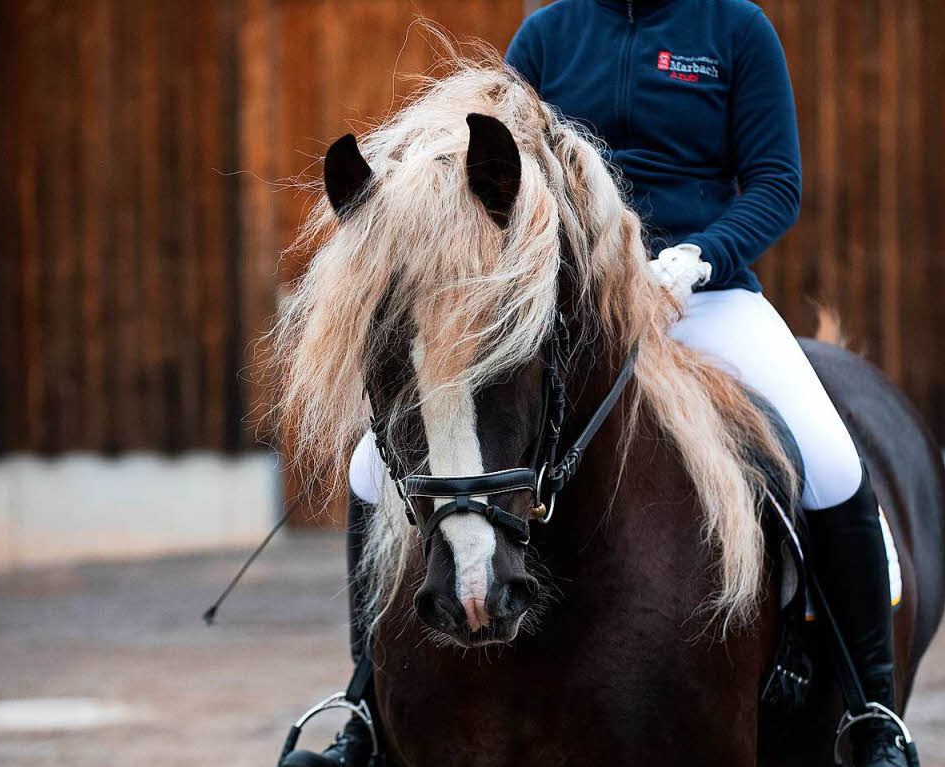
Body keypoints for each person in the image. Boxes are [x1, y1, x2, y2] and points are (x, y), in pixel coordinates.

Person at [280, 2, 912, 766]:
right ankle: (365, 714)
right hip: (570, 304)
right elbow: (490, 164)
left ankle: (872, 712)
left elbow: (776, 184)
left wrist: (702, 254)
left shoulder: (736, 29)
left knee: (833, 460)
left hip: (701, 294)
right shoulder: (549, 32)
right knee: (370, 468)